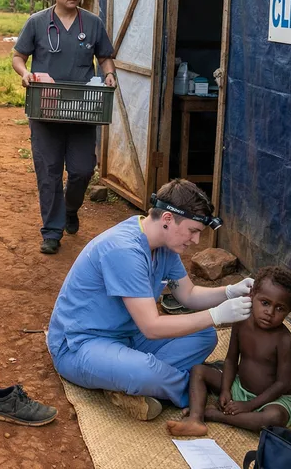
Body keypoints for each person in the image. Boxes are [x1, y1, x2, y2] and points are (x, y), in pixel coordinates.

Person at [47, 180, 254, 421]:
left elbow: (188, 294)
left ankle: (133, 384)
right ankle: (193, 386)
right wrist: (216, 315)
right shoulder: (124, 249)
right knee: (144, 371)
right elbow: (152, 327)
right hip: (80, 345)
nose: (196, 241)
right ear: (167, 219)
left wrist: (229, 291)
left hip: (127, 336)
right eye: (193, 231)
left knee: (204, 335)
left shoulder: (164, 246)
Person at [12, 0, 117, 254]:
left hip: (83, 110)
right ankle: (52, 231)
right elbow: (19, 56)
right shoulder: (37, 22)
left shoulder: (92, 23)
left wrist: (109, 74)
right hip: (45, 109)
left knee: (83, 171)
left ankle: (71, 209)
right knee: (49, 172)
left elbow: (105, 56)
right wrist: (24, 74)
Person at [167, 265, 291, 436]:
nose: (270, 312)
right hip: (239, 387)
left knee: (274, 418)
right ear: (252, 296)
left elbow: (283, 384)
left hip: (271, 400)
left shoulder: (284, 340)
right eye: (265, 303)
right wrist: (226, 390)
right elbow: (230, 360)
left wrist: (248, 406)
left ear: (288, 311)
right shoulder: (242, 321)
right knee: (198, 371)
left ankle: (213, 415)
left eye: (280, 308)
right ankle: (195, 419)